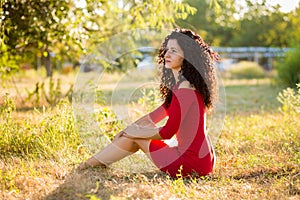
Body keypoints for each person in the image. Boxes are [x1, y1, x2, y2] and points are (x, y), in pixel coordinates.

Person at [79, 28, 220, 178]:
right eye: (167, 50)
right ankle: (93, 164)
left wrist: (135, 132)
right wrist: (128, 130)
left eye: (174, 51)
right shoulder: (182, 85)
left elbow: (167, 132)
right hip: (203, 161)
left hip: (190, 165)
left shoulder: (185, 90)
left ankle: (87, 165)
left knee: (136, 136)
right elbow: (151, 118)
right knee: (136, 133)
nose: (167, 55)